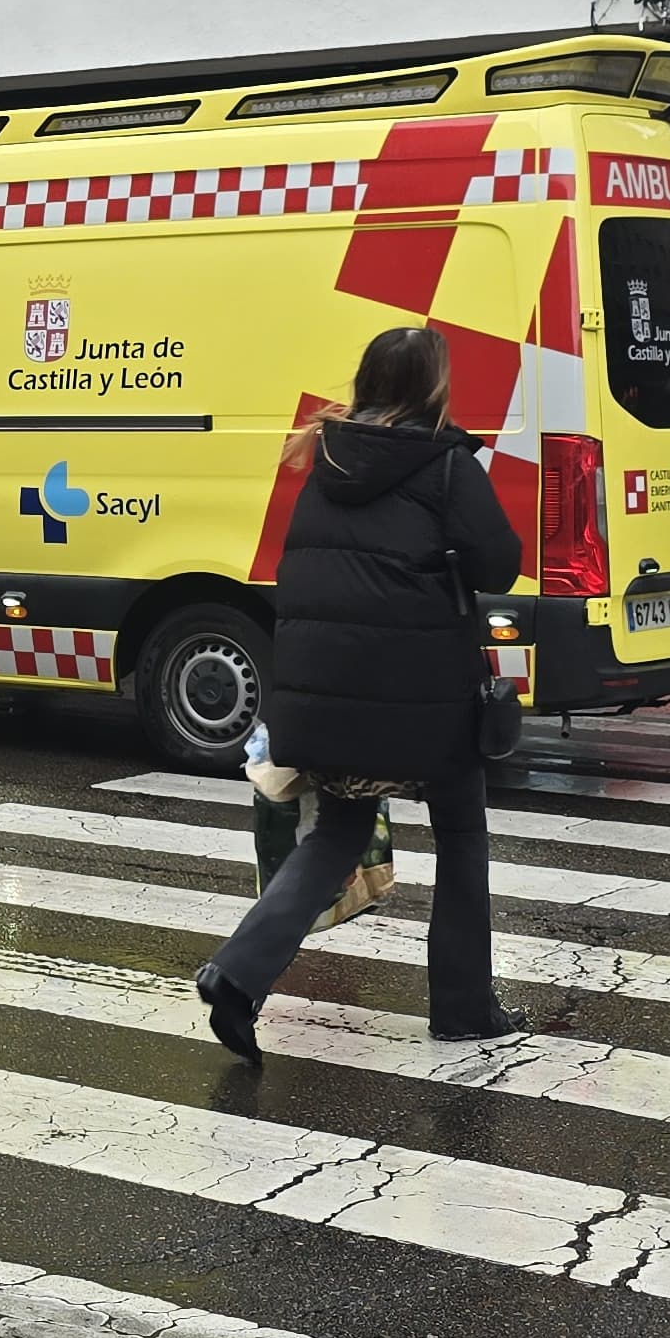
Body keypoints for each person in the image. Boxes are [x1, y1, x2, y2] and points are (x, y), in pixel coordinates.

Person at [197, 327, 525, 1065]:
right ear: (433, 387)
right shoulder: (446, 464)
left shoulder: (328, 455)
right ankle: (465, 1009)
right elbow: (500, 565)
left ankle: (235, 975)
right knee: (462, 835)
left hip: (325, 692)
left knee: (339, 833)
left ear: (370, 380)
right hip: (426, 697)